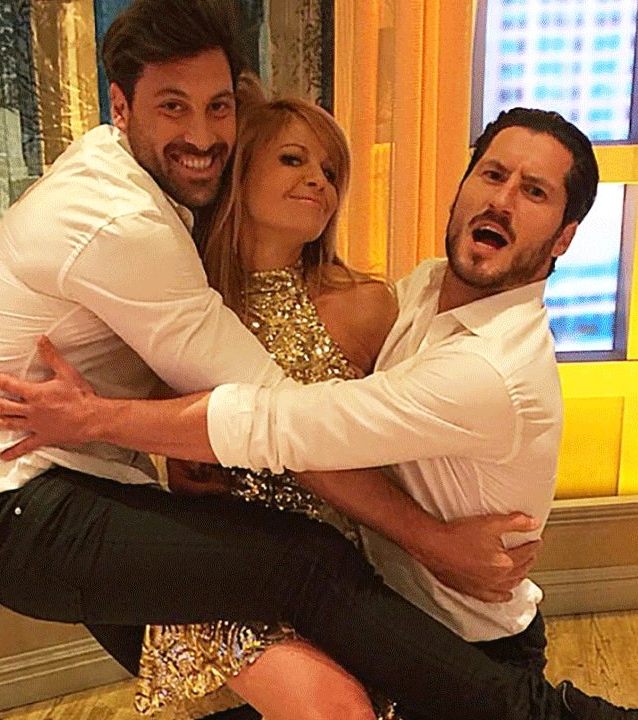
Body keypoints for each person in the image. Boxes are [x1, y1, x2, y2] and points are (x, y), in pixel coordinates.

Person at [0, 104, 638, 720]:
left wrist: (97, 418)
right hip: (330, 595)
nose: (502, 199)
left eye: (533, 193)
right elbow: (210, 411)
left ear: (562, 239)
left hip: (449, 640)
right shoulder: (418, 290)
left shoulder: (468, 358)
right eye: (493, 174)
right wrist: (168, 446)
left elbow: (286, 428)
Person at [0, 1, 606, 719]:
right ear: (120, 108)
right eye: (172, 106)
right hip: (29, 501)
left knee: (323, 651)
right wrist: (432, 541)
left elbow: (294, 426)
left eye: (218, 107)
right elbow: (268, 419)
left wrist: (112, 424)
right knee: (310, 592)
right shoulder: (131, 226)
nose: (201, 135)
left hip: (112, 492)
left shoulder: (393, 305)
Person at [131, 92, 403, 719]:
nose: (318, 180)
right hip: (228, 571)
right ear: (241, 171)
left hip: (340, 571)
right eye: (293, 159)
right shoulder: (183, 306)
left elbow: (400, 448)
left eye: (330, 171)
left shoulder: (367, 304)